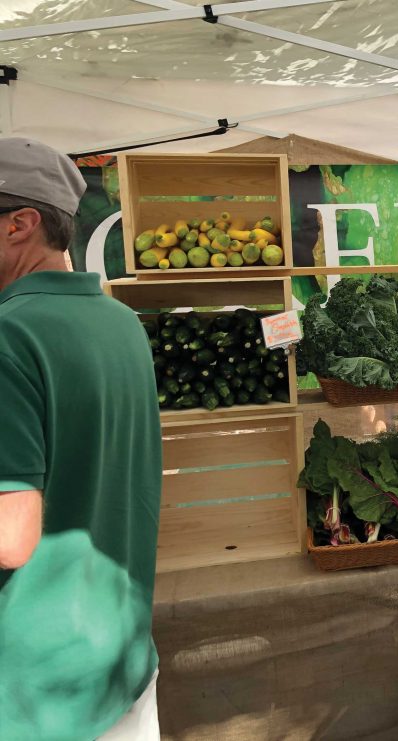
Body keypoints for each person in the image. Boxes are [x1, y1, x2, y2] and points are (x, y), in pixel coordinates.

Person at [0, 138, 163, 740]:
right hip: (119, 663)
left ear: (20, 224)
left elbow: (10, 536)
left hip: (33, 695)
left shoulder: (8, 337)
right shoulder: (120, 321)